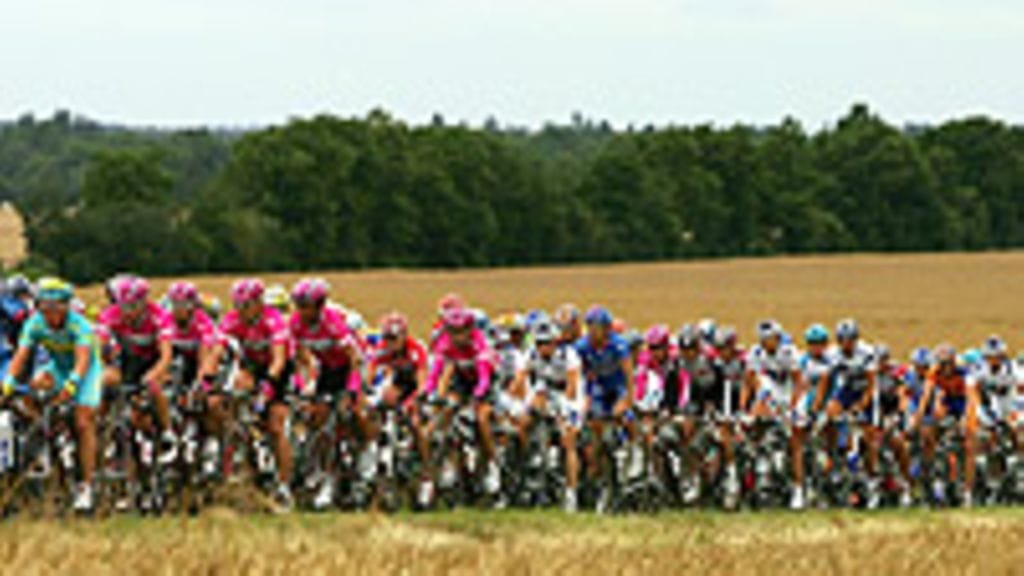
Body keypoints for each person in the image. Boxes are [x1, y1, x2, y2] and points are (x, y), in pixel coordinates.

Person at [2, 278, 102, 511]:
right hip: (57, 368)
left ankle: (85, 487)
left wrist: (71, 387)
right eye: (44, 308)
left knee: (83, 420)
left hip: (85, 371)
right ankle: (42, 435)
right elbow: (20, 357)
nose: (50, 314)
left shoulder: (80, 325)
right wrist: (8, 383)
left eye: (56, 308)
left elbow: (83, 361)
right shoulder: (34, 324)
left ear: (66, 306)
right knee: (34, 386)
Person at [289, 278, 366, 509]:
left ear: (319, 305)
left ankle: (365, 464)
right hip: (328, 370)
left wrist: (352, 392)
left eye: (305, 305)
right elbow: (296, 355)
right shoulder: (296, 323)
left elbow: (355, 359)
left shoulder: (333, 323)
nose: (300, 311)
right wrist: (302, 385)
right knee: (319, 418)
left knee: (352, 413)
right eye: (298, 305)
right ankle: (322, 473)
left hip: (351, 367)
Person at [219, 278, 295, 508]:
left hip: (277, 370)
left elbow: (279, 359)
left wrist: (269, 387)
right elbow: (216, 349)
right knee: (237, 394)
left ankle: (283, 484)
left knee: (275, 425)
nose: (241, 310)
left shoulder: (274, 320)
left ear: (259, 303)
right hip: (251, 367)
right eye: (237, 305)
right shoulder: (231, 321)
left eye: (246, 305)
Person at [98, 276, 177, 460]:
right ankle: (103, 429)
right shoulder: (111, 314)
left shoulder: (158, 316)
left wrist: (156, 373)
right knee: (106, 380)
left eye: (132, 307)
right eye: (123, 306)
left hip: (153, 360)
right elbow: (98, 345)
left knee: (151, 384)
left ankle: (167, 431)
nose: (127, 312)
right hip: (127, 361)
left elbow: (166, 355)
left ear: (144, 303)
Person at [427, 305, 501, 495]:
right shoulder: (445, 342)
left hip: (486, 381)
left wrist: (477, 397)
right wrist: (429, 392)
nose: (457, 336)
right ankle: (448, 460)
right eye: (452, 331)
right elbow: (436, 372)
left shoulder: (479, 342)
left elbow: (484, 377)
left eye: (461, 331)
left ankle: (493, 464)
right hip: (462, 379)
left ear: (470, 330)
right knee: (448, 409)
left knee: (482, 417)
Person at [513, 318, 585, 511]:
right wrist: (517, 404)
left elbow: (572, 387)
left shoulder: (569, 355)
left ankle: (572, 492)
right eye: (539, 343)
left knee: (568, 439)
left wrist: (561, 411)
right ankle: (526, 465)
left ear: (556, 342)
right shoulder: (530, 355)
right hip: (543, 392)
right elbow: (519, 382)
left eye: (547, 343)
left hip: (568, 397)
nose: (543, 348)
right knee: (520, 423)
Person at [368, 312, 432, 507]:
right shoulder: (382, 349)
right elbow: (369, 373)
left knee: (414, 423)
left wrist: (416, 400)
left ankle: (426, 474)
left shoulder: (416, 349)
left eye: (394, 339)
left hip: (417, 386)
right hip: (399, 385)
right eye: (386, 338)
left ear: (404, 336)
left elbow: (423, 381)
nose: (389, 343)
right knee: (378, 409)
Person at [576, 305, 638, 508]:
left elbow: (629, 375)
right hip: (600, 387)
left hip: (618, 386)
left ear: (606, 328)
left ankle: (634, 449)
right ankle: (601, 472)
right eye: (590, 327)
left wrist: (628, 399)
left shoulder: (618, 345)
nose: (593, 331)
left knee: (623, 415)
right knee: (596, 426)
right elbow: (579, 373)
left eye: (597, 327)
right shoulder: (582, 346)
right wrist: (583, 398)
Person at [743, 319, 807, 509]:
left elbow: (799, 383)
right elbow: (749, 383)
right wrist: (745, 409)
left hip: (793, 392)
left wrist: (792, 410)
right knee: (758, 414)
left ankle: (798, 489)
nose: (765, 343)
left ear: (777, 338)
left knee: (795, 440)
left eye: (769, 339)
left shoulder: (789, 352)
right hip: (773, 391)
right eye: (762, 339)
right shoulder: (755, 353)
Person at [165, 281, 225, 476]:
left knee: (208, 402)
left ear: (192, 307)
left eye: (182, 305)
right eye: (174, 304)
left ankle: (212, 443)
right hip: (180, 364)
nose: (177, 310)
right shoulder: (166, 321)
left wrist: (201, 385)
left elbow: (206, 359)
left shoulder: (203, 324)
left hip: (204, 362)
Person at [912, 344, 981, 507]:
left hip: (964, 404)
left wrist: (967, 419)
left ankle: (968, 491)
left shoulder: (965, 373)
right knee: (930, 432)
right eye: (942, 364)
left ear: (953, 361)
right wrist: (918, 418)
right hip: (948, 404)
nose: (945, 368)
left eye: (948, 363)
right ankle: (933, 474)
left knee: (969, 444)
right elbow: (925, 397)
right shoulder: (934, 372)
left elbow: (972, 398)